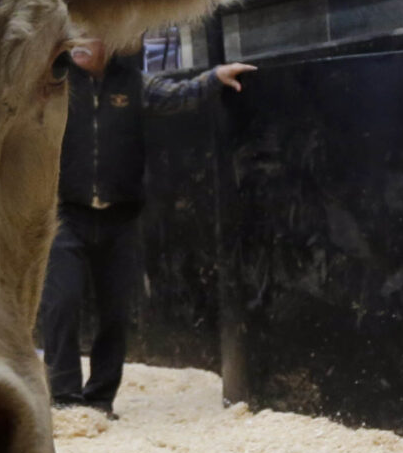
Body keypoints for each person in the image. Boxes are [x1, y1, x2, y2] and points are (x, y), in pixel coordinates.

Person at [40, 38, 252, 417]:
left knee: (115, 313)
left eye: (90, 33)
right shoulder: (57, 82)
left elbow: (177, 94)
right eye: (76, 31)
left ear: (109, 40)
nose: (81, 41)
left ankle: (101, 399)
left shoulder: (134, 83)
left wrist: (215, 77)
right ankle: (66, 399)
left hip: (119, 217)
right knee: (62, 304)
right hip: (64, 215)